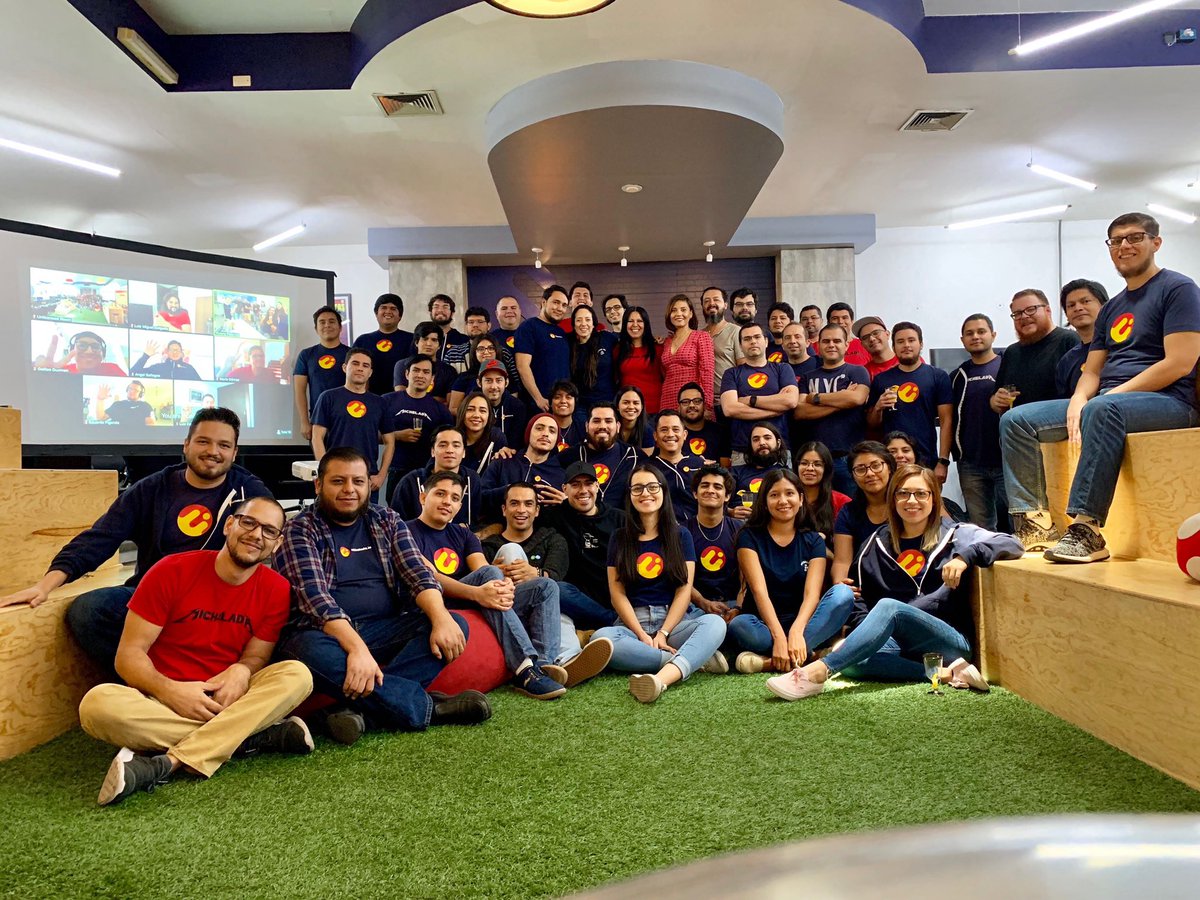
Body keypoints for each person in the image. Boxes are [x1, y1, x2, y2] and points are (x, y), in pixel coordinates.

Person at [78, 497, 313, 806]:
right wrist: (170, 691)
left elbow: (256, 656)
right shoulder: (171, 570)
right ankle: (249, 738)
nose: (257, 535)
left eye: (269, 531)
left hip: (228, 701)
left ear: (278, 542)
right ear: (229, 525)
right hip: (161, 701)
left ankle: (166, 763)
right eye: (249, 522)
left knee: (297, 675)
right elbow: (128, 656)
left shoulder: (277, 589)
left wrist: (242, 670)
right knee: (97, 705)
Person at [0, 408, 271, 675]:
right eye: (203, 441)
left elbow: (272, 538)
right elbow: (100, 538)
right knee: (89, 610)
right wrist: (44, 586)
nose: (213, 451)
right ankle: (149, 678)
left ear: (234, 452)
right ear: (186, 444)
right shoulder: (152, 488)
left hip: (219, 605)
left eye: (224, 445)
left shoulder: (250, 492)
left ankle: (174, 675)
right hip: (156, 600)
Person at [1001, 212, 1200, 562]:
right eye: (1116, 241)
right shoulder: (1113, 308)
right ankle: (1037, 527)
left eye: (1134, 237)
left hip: (1169, 401)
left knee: (1102, 407)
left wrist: (1112, 395)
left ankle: (1087, 531)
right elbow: (1092, 371)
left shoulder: (1179, 289)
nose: (1124, 246)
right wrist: (1079, 398)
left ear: (1156, 242)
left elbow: (1179, 362)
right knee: (1016, 420)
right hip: (1110, 402)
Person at [275, 450, 490, 743]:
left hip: (382, 629)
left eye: (358, 481)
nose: (349, 489)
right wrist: (356, 648)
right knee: (311, 651)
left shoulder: (386, 519)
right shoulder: (300, 529)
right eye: (338, 481)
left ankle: (353, 712)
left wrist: (440, 618)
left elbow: (418, 574)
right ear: (318, 485)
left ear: (369, 485)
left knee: (453, 624)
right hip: (323, 635)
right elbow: (315, 600)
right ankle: (430, 708)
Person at [766, 465, 1021, 699]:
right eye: (903, 494)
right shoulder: (876, 543)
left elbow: (1012, 543)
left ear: (933, 499)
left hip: (948, 640)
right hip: (901, 643)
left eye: (921, 494)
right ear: (893, 499)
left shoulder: (957, 534)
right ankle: (944, 673)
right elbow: (859, 597)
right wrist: (869, 631)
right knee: (850, 655)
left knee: (890, 608)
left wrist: (965, 557)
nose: (912, 501)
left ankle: (817, 673)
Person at [407, 472, 566, 699]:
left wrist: (503, 587)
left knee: (545, 587)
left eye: (454, 498)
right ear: (423, 497)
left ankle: (543, 665)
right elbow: (431, 578)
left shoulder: (463, 534)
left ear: (459, 505)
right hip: (435, 601)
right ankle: (525, 669)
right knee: (490, 573)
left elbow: (481, 568)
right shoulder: (405, 532)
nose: (447, 502)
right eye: (440, 494)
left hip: (473, 599)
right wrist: (478, 593)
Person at [592, 465, 729, 702]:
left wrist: (663, 633)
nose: (645, 493)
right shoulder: (619, 537)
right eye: (637, 488)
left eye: (652, 487)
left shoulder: (681, 535)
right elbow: (617, 594)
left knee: (715, 624)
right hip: (631, 625)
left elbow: (684, 591)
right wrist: (642, 635)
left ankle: (662, 678)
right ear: (630, 495)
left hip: (674, 624)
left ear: (663, 491)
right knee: (601, 639)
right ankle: (692, 659)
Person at [480, 483, 614, 686]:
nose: (521, 510)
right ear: (504, 509)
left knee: (556, 609)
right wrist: (493, 572)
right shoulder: (488, 547)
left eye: (528, 504)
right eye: (514, 503)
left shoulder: (552, 539)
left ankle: (565, 663)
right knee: (510, 550)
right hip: (507, 612)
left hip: (544, 614)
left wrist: (536, 574)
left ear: (537, 510)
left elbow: (556, 574)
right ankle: (553, 660)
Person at [728, 469, 855, 674]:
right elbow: (760, 592)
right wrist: (779, 636)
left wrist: (796, 631)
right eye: (774, 495)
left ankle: (769, 662)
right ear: (764, 501)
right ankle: (811, 656)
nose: (783, 501)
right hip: (764, 625)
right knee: (739, 625)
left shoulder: (813, 540)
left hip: (805, 624)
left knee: (843, 594)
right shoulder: (749, 537)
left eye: (789, 493)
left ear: (801, 499)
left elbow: (811, 595)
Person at [541, 461, 623, 630]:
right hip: (573, 602)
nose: (583, 490)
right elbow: (520, 520)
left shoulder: (619, 519)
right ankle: (614, 622)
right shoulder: (552, 517)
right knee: (556, 588)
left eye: (588, 483)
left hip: (615, 597)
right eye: (575, 485)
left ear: (597, 486)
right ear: (564, 489)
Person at [867, 321, 953, 480]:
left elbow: (946, 420)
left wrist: (943, 461)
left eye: (911, 340)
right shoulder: (881, 380)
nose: (906, 345)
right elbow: (872, 424)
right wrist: (878, 407)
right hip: (890, 460)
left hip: (927, 458)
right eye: (900, 341)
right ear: (894, 347)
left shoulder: (938, 376)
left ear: (921, 344)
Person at [794, 324, 871, 494]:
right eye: (826, 341)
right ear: (818, 345)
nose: (831, 345)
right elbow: (800, 411)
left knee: (851, 506)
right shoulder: (808, 377)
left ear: (846, 345)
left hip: (849, 458)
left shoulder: (858, 372)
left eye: (837, 341)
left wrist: (815, 398)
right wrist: (842, 400)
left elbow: (856, 398)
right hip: (815, 461)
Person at [951, 313, 1008, 530]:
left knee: (1022, 520)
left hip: (1007, 460)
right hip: (970, 464)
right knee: (980, 529)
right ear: (962, 340)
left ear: (993, 335)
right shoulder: (957, 376)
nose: (975, 336)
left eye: (981, 331)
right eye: (969, 333)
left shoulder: (1008, 366)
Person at [311, 349, 393, 494]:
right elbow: (317, 437)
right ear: (344, 367)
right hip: (336, 475)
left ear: (370, 372)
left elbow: (390, 442)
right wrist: (325, 471)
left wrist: (381, 475)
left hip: (367, 477)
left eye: (365, 365)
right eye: (355, 363)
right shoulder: (328, 397)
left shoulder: (380, 403)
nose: (360, 368)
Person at [720, 322, 799, 465]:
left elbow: (791, 401)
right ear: (741, 345)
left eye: (757, 337)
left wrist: (751, 400)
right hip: (742, 450)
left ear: (766, 341)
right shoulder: (731, 374)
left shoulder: (783, 369)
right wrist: (775, 410)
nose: (753, 341)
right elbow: (730, 409)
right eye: (747, 339)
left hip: (778, 449)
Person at [990, 288, 1081, 412]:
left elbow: (1082, 393)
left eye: (1031, 309)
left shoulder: (1069, 341)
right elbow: (996, 397)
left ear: (1047, 310)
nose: (1024, 316)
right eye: (1017, 313)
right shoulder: (1011, 352)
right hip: (1016, 423)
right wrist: (996, 401)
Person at [831, 442, 897, 594]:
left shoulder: (908, 502)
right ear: (853, 476)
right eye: (861, 469)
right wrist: (840, 585)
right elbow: (842, 561)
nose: (870, 473)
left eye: (876, 466)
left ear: (889, 467)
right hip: (863, 588)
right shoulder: (848, 512)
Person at [390, 424, 481, 527]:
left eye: (456, 446)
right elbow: (395, 523)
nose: (450, 450)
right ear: (432, 451)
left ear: (464, 452)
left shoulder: (472, 479)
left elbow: (476, 521)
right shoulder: (411, 481)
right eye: (443, 445)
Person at [382, 354, 453, 480]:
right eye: (416, 370)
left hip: (427, 472)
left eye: (426, 372)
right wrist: (396, 435)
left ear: (432, 378)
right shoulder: (386, 401)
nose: (420, 375)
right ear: (407, 374)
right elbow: (370, 433)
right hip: (394, 469)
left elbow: (448, 441)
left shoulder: (441, 410)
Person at [481, 412, 567, 517]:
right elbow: (480, 497)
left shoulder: (561, 475)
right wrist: (509, 491)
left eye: (552, 431)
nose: (545, 433)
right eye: (539, 428)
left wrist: (567, 504)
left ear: (556, 440)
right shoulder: (503, 461)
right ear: (528, 433)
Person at [558, 400, 640, 506]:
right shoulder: (568, 456)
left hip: (622, 516)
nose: (602, 426)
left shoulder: (634, 457)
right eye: (596, 421)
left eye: (608, 421)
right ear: (587, 426)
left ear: (618, 426)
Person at [686, 465, 743, 617]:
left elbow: (747, 579)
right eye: (705, 485)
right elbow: (680, 579)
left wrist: (738, 608)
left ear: (727, 496)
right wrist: (703, 602)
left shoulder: (740, 529)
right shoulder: (681, 532)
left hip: (734, 604)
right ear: (695, 493)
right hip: (694, 607)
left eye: (717, 487)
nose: (710, 490)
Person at [293, 306, 350, 442]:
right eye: (322, 322)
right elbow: (300, 391)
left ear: (340, 327)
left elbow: (363, 387)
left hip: (348, 419)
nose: (327, 325)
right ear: (316, 328)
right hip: (318, 420)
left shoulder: (352, 354)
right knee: (321, 456)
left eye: (332, 321)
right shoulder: (306, 355)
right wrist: (304, 422)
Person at [514, 284, 570, 412]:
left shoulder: (561, 332)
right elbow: (522, 366)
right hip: (538, 404)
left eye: (564, 305)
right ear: (544, 302)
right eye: (556, 302)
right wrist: (538, 398)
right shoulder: (528, 327)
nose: (560, 308)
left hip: (560, 404)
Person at [660, 294, 715, 416]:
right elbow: (664, 373)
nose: (678, 314)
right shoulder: (667, 341)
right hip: (667, 399)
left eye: (683, 309)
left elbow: (707, 373)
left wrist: (707, 405)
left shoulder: (701, 336)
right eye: (674, 310)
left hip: (692, 401)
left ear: (690, 314)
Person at [647, 409, 706, 519]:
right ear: (655, 436)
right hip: (663, 525)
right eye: (664, 430)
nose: (670, 434)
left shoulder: (699, 464)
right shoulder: (647, 468)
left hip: (698, 525)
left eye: (675, 429)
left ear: (684, 434)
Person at [793, 440, 853, 549]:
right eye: (804, 463)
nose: (809, 468)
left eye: (817, 464)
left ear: (826, 469)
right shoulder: (787, 500)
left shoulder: (842, 502)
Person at [1056, 279, 1110, 398]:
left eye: (1085, 301)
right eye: (1071, 305)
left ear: (1104, 306)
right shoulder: (1067, 361)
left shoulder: (1121, 346)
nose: (1078, 308)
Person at [352, 293, 414, 397]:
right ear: (376, 313)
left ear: (400, 316)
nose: (388, 311)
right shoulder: (363, 340)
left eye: (393, 309)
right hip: (369, 398)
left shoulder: (412, 340)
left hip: (402, 398)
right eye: (383, 308)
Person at [730, 422, 790, 516]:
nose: (762, 443)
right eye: (756, 439)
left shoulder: (788, 474)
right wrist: (730, 512)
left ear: (778, 443)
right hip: (739, 522)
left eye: (767, 438)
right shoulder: (736, 472)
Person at [615, 307, 663, 414]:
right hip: (629, 411)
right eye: (630, 321)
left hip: (654, 410)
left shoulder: (658, 348)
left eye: (640, 321)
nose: (635, 325)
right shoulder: (618, 350)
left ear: (646, 324)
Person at [393, 322, 457, 401]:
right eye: (425, 339)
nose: (429, 344)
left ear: (439, 345)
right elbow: (402, 398)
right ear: (416, 342)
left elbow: (449, 403)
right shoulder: (402, 365)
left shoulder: (449, 371)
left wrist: (416, 396)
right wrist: (436, 400)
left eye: (434, 340)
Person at [570, 305, 618, 410]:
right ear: (573, 324)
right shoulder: (568, 343)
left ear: (593, 324)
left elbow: (628, 342)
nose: (583, 324)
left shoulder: (606, 338)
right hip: (580, 406)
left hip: (607, 403)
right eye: (579, 320)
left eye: (588, 319)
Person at [477, 358, 527, 449]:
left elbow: (517, 444)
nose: (494, 386)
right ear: (479, 383)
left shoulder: (518, 407)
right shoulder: (471, 405)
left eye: (499, 380)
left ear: (506, 382)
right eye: (488, 380)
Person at [702, 286, 741, 401]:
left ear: (725, 305)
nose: (711, 303)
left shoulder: (736, 331)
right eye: (707, 301)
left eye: (716, 299)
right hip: (704, 401)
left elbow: (743, 368)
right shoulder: (699, 335)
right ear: (703, 306)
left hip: (729, 399)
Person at [456, 390, 509, 473]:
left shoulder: (497, 438)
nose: (476, 415)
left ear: (489, 416)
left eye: (482, 411)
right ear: (462, 412)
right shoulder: (451, 437)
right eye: (470, 409)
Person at [677, 381, 729, 467]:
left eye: (697, 401)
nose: (691, 405)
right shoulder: (674, 433)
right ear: (678, 408)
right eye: (685, 402)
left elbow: (725, 468)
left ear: (704, 405)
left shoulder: (720, 432)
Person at [447, 333, 500, 414]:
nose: (486, 352)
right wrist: (475, 414)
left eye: (491, 348)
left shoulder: (506, 376)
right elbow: (453, 408)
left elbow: (511, 405)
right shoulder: (464, 378)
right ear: (474, 352)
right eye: (481, 349)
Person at [36, 330, 126, 376]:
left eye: (95, 347)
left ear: (103, 354)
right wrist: (43, 373)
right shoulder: (61, 371)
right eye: (82, 345)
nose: (89, 351)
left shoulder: (113, 369)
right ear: (71, 351)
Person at [443, 306, 491, 371]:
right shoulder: (453, 354)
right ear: (466, 326)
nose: (475, 325)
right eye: (471, 322)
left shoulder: (500, 352)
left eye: (480, 321)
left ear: (488, 326)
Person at [490, 295, 524, 386]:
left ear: (520, 311)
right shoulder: (490, 339)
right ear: (497, 314)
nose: (509, 311)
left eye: (513, 308)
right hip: (501, 388)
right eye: (504, 308)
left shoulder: (532, 335)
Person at [853, 316, 899, 381]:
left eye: (876, 333)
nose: (871, 339)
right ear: (862, 344)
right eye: (865, 337)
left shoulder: (907, 361)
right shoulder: (863, 374)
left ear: (887, 334)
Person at [131, 339, 202, 380]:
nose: (175, 352)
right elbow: (132, 373)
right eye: (172, 350)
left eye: (177, 350)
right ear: (167, 352)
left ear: (181, 353)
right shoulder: (157, 367)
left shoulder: (189, 368)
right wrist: (145, 356)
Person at [826, 302, 871, 367]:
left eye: (844, 318)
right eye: (835, 318)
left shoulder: (865, 345)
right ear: (828, 323)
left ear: (852, 321)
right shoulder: (820, 347)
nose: (840, 322)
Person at [548, 379, 587, 451]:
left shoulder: (583, 428)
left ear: (575, 403)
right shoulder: (543, 426)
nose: (563, 401)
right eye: (557, 397)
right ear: (550, 403)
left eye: (568, 397)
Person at [616, 384, 655, 453]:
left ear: (642, 407)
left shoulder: (647, 431)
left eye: (636, 403)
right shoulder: (610, 428)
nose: (631, 407)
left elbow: (646, 458)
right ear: (617, 406)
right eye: (626, 403)